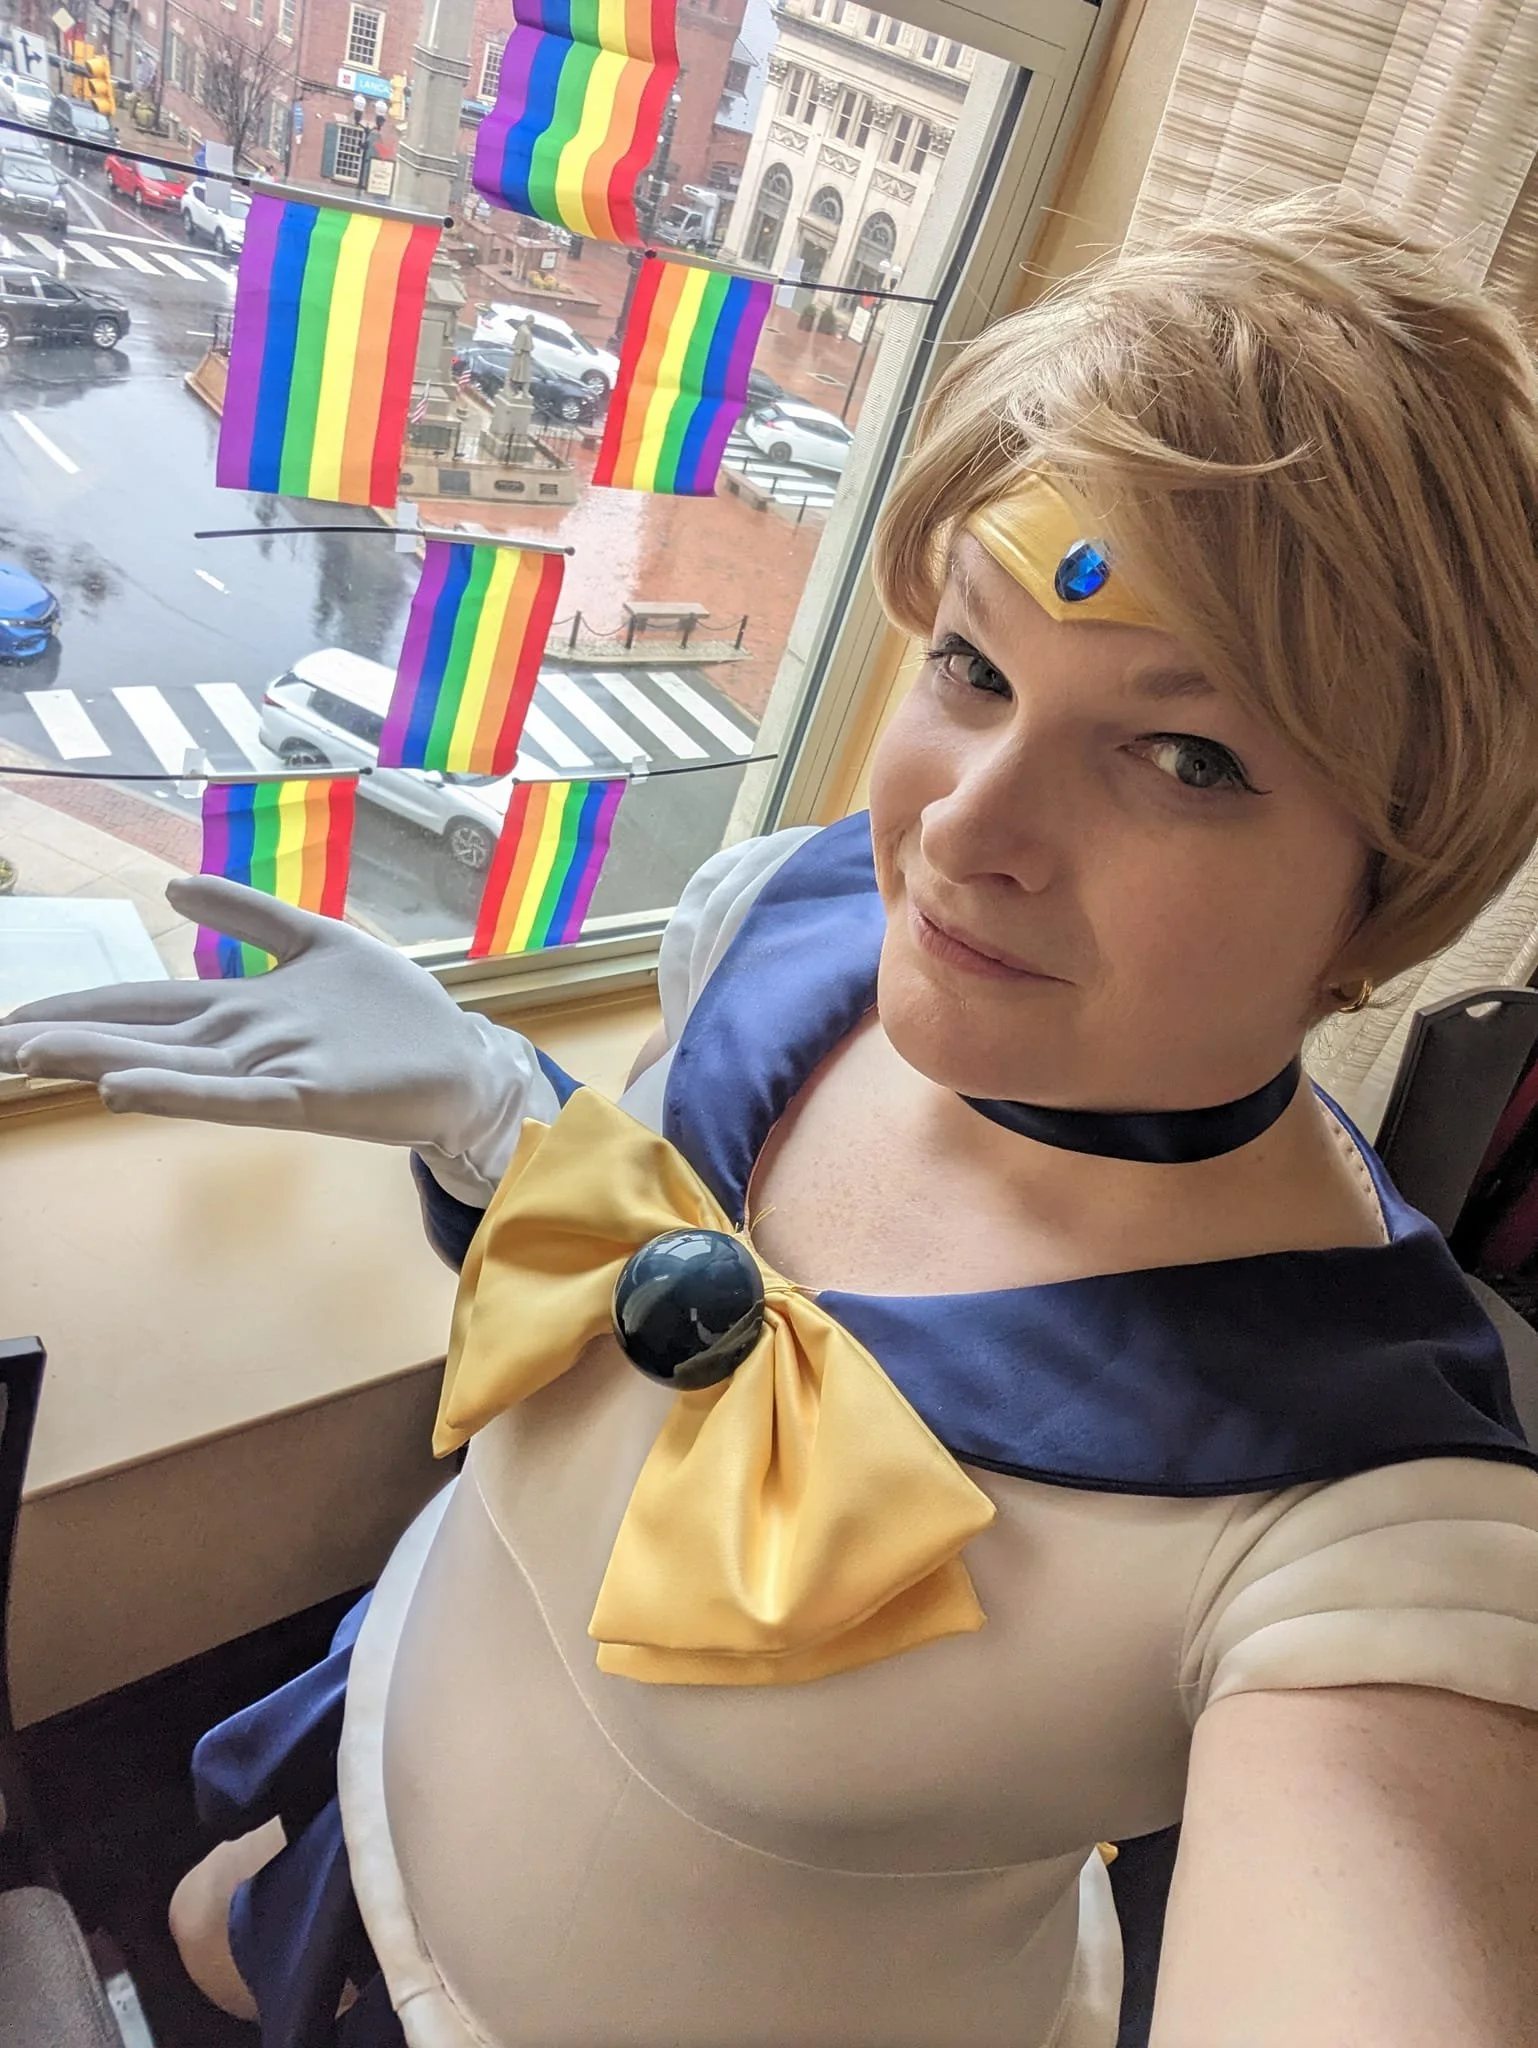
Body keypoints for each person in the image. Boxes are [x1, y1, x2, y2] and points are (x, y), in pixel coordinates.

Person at [5, 192, 1538, 2048]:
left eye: (1186, 757)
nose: (966, 830)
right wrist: (498, 1117)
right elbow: (641, 1315)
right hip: (345, 1842)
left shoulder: (1368, 1515)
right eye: (972, 666)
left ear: (1386, 897)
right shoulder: (792, 918)